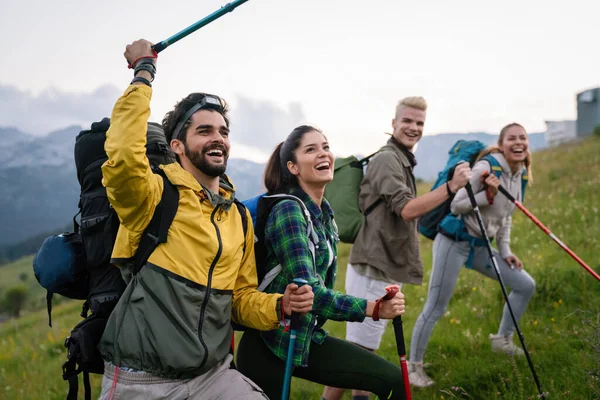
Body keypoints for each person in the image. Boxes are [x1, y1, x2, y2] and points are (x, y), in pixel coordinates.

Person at [98, 39, 314, 400]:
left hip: (213, 377)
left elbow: (240, 299)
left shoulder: (239, 218)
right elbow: (122, 154)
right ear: (178, 145)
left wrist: (279, 305)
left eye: (223, 132)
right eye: (204, 131)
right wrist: (143, 74)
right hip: (142, 381)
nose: (218, 139)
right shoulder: (153, 196)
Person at [235, 125, 408, 400]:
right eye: (311, 149)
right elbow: (309, 293)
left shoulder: (324, 212)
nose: (323, 154)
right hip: (270, 343)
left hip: (305, 337)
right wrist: (373, 309)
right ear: (293, 167)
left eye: (326, 147)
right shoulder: (289, 211)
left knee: (392, 380)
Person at [322, 96, 472, 400]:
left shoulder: (400, 158)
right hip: (373, 265)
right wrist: (451, 187)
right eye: (407, 121)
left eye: (419, 123)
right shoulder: (388, 159)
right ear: (394, 124)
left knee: (361, 350)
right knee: (362, 353)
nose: (413, 127)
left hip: (381, 263)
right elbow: (407, 209)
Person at [408, 123, 536, 387]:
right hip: (453, 241)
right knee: (436, 306)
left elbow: (506, 218)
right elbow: (456, 205)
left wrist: (507, 252)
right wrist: (486, 196)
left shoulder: (520, 174)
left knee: (525, 285)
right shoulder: (486, 168)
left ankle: (502, 340)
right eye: (512, 138)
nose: (518, 143)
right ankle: (412, 367)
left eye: (522, 138)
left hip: (481, 247)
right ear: (501, 144)